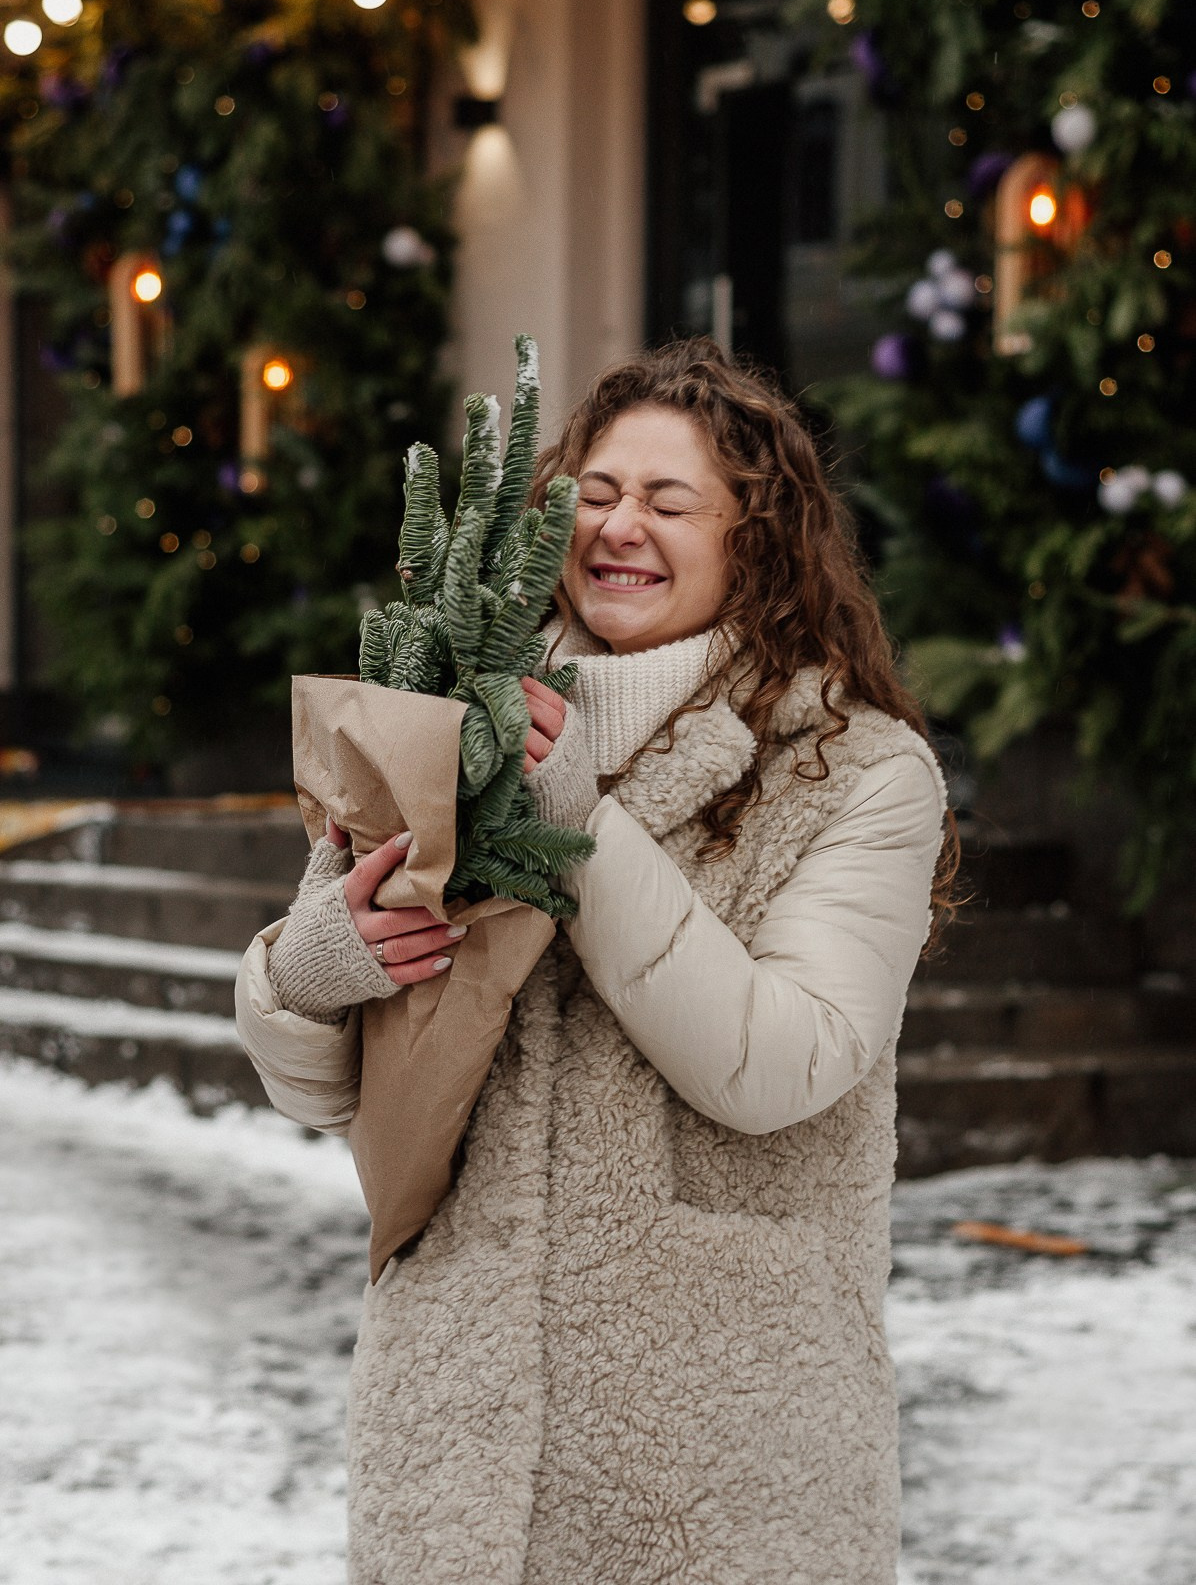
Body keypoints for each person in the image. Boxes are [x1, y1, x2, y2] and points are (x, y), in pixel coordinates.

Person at [235, 337, 955, 1585]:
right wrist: (311, 970)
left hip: (716, 1447)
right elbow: (339, 1096)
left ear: (758, 537)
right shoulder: (456, 731)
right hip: (457, 1433)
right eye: (597, 495)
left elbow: (778, 1064)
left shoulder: (856, 769)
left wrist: (580, 826)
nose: (620, 526)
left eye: (669, 502)